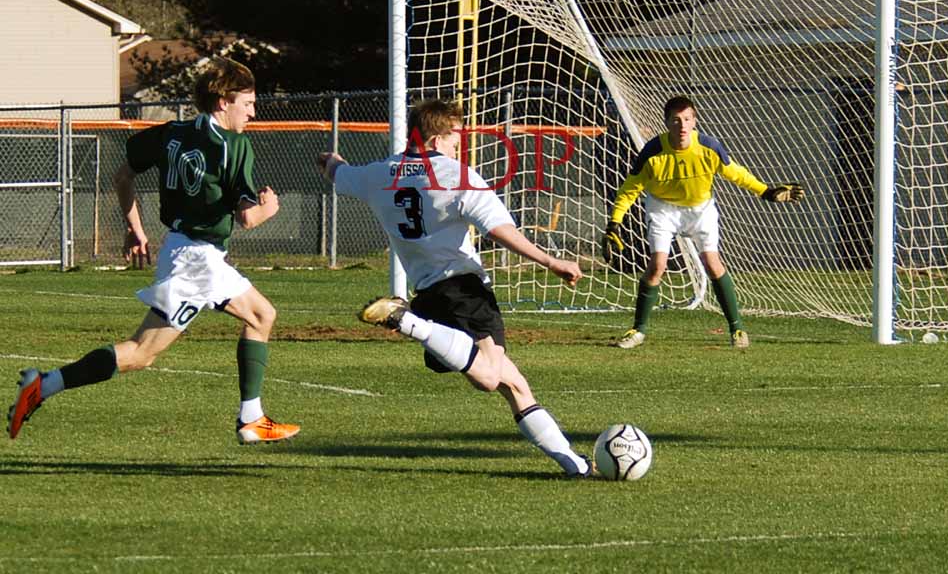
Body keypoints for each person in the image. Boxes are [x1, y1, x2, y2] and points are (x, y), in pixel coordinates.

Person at [7, 60, 300, 445]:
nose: (252, 112)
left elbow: (122, 176)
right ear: (222, 102)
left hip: (187, 251)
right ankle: (43, 386)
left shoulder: (171, 132)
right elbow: (248, 218)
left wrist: (135, 228)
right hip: (197, 261)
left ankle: (252, 417)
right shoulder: (233, 146)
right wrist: (270, 208)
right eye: (247, 103)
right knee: (140, 353)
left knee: (262, 315)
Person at [318, 98, 593, 478]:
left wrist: (329, 160)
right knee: (490, 377)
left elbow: (335, 171)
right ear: (435, 140)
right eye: (455, 141)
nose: (457, 149)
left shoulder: (378, 174)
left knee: (515, 385)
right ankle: (408, 322)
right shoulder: (457, 176)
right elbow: (499, 230)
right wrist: (551, 261)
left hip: (430, 294)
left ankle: (575, 465)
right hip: (464, 289)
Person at [602, 95, 805, 350]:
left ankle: (737, 328)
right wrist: (614, 223)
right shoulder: (652, 151)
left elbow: (736, 173)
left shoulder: (709, 147)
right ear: (667, 123)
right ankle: (638, 330)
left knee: (712, 263)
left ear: (695, 121)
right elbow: (629, 189)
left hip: (700, 209)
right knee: (657, 266)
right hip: (663, 209)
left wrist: (765, 191)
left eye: (687, 119)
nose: (682, 125)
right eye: (676, 120)